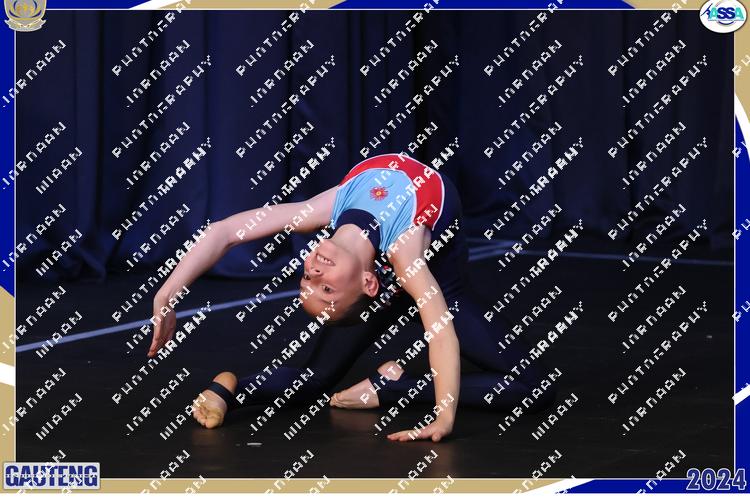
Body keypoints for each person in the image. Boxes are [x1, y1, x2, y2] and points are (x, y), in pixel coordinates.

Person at [147, 152, 556, 442]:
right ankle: (234, 390)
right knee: (315, 378)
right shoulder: (403, 251)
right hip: (422, 288)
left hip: (434, 289)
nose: (313, 274)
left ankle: (388, 389)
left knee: (534, 387)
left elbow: (224, 232)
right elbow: (441, 331)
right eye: (325, 289)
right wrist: (443, 417)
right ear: (367, 284)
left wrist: (166, 294)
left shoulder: (325, 210)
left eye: (309, 281)